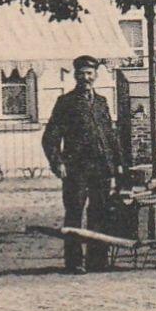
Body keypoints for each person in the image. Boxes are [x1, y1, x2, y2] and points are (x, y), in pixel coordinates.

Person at [41, 54, 124, 274]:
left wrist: (118, 163)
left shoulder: (101, 102)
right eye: (81, 74)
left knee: (100, 212)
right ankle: (75, 262)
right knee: (75, 213)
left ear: (96, 75)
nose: (86, 78)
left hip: (101, 168)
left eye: (89, 73)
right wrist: (57, 162)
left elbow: (109, 135)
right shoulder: (66, 102)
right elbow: (50, 137)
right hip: (76, 169)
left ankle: (98, 260)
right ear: (75, 76)